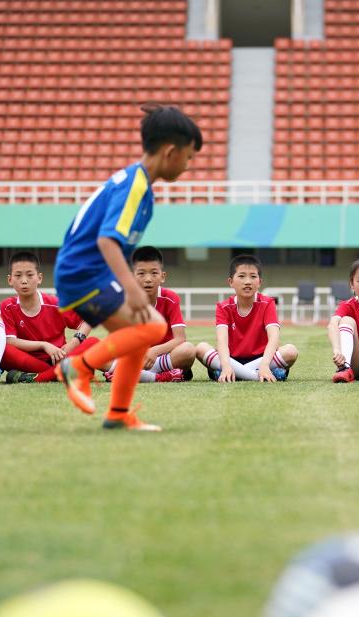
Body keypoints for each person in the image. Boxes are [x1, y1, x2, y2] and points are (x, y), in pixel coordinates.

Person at [54, 104, 201, 430]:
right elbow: (108, 241)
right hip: (84, 272)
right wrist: (132, 288)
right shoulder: (134, 187)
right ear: (170, 152)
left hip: (85, 271)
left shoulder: (138, 184)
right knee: (149, 327)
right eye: (188, 157)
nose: (189, 166)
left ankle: (118, 414)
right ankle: (78, 366)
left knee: (140, 335)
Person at [0, 251, 99, 383]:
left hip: (59, 357)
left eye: (29, 275)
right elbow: (11, 341)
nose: (24, 281)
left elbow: (87, 319)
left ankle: (39, 378)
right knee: (3, 349)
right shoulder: (7, 306)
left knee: (93, 342)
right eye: (18, 275)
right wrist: (43, 345)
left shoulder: (55, 304)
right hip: (29, 362)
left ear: (39, 278)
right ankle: (66, 372)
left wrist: (74, 342)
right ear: (10, 280)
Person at [195, 254, 298, 382]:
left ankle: (234, 374)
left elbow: (274, 338)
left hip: (262, 359)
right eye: (242, 276)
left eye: (253, 276)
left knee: (290, 351)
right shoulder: (223, 307)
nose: (247, 281)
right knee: (200, 348)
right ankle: (257, 375)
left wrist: (265, 365)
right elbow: (222, 341)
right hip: (232, 359)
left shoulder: (267, 303)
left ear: (259, 282)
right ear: (231, 282)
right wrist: (226, 365)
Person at [103, 246, 195, 383]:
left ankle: (128, 374)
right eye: (141, 273)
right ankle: (159, 377)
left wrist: (154, 351)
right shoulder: (123, 300)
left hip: (162, 356)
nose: (148, 279)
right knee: (96, 351)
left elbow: (180, 338)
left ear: (162, 276)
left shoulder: (170, 298)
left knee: (188, 350)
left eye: (154, 273)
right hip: (135, 358)